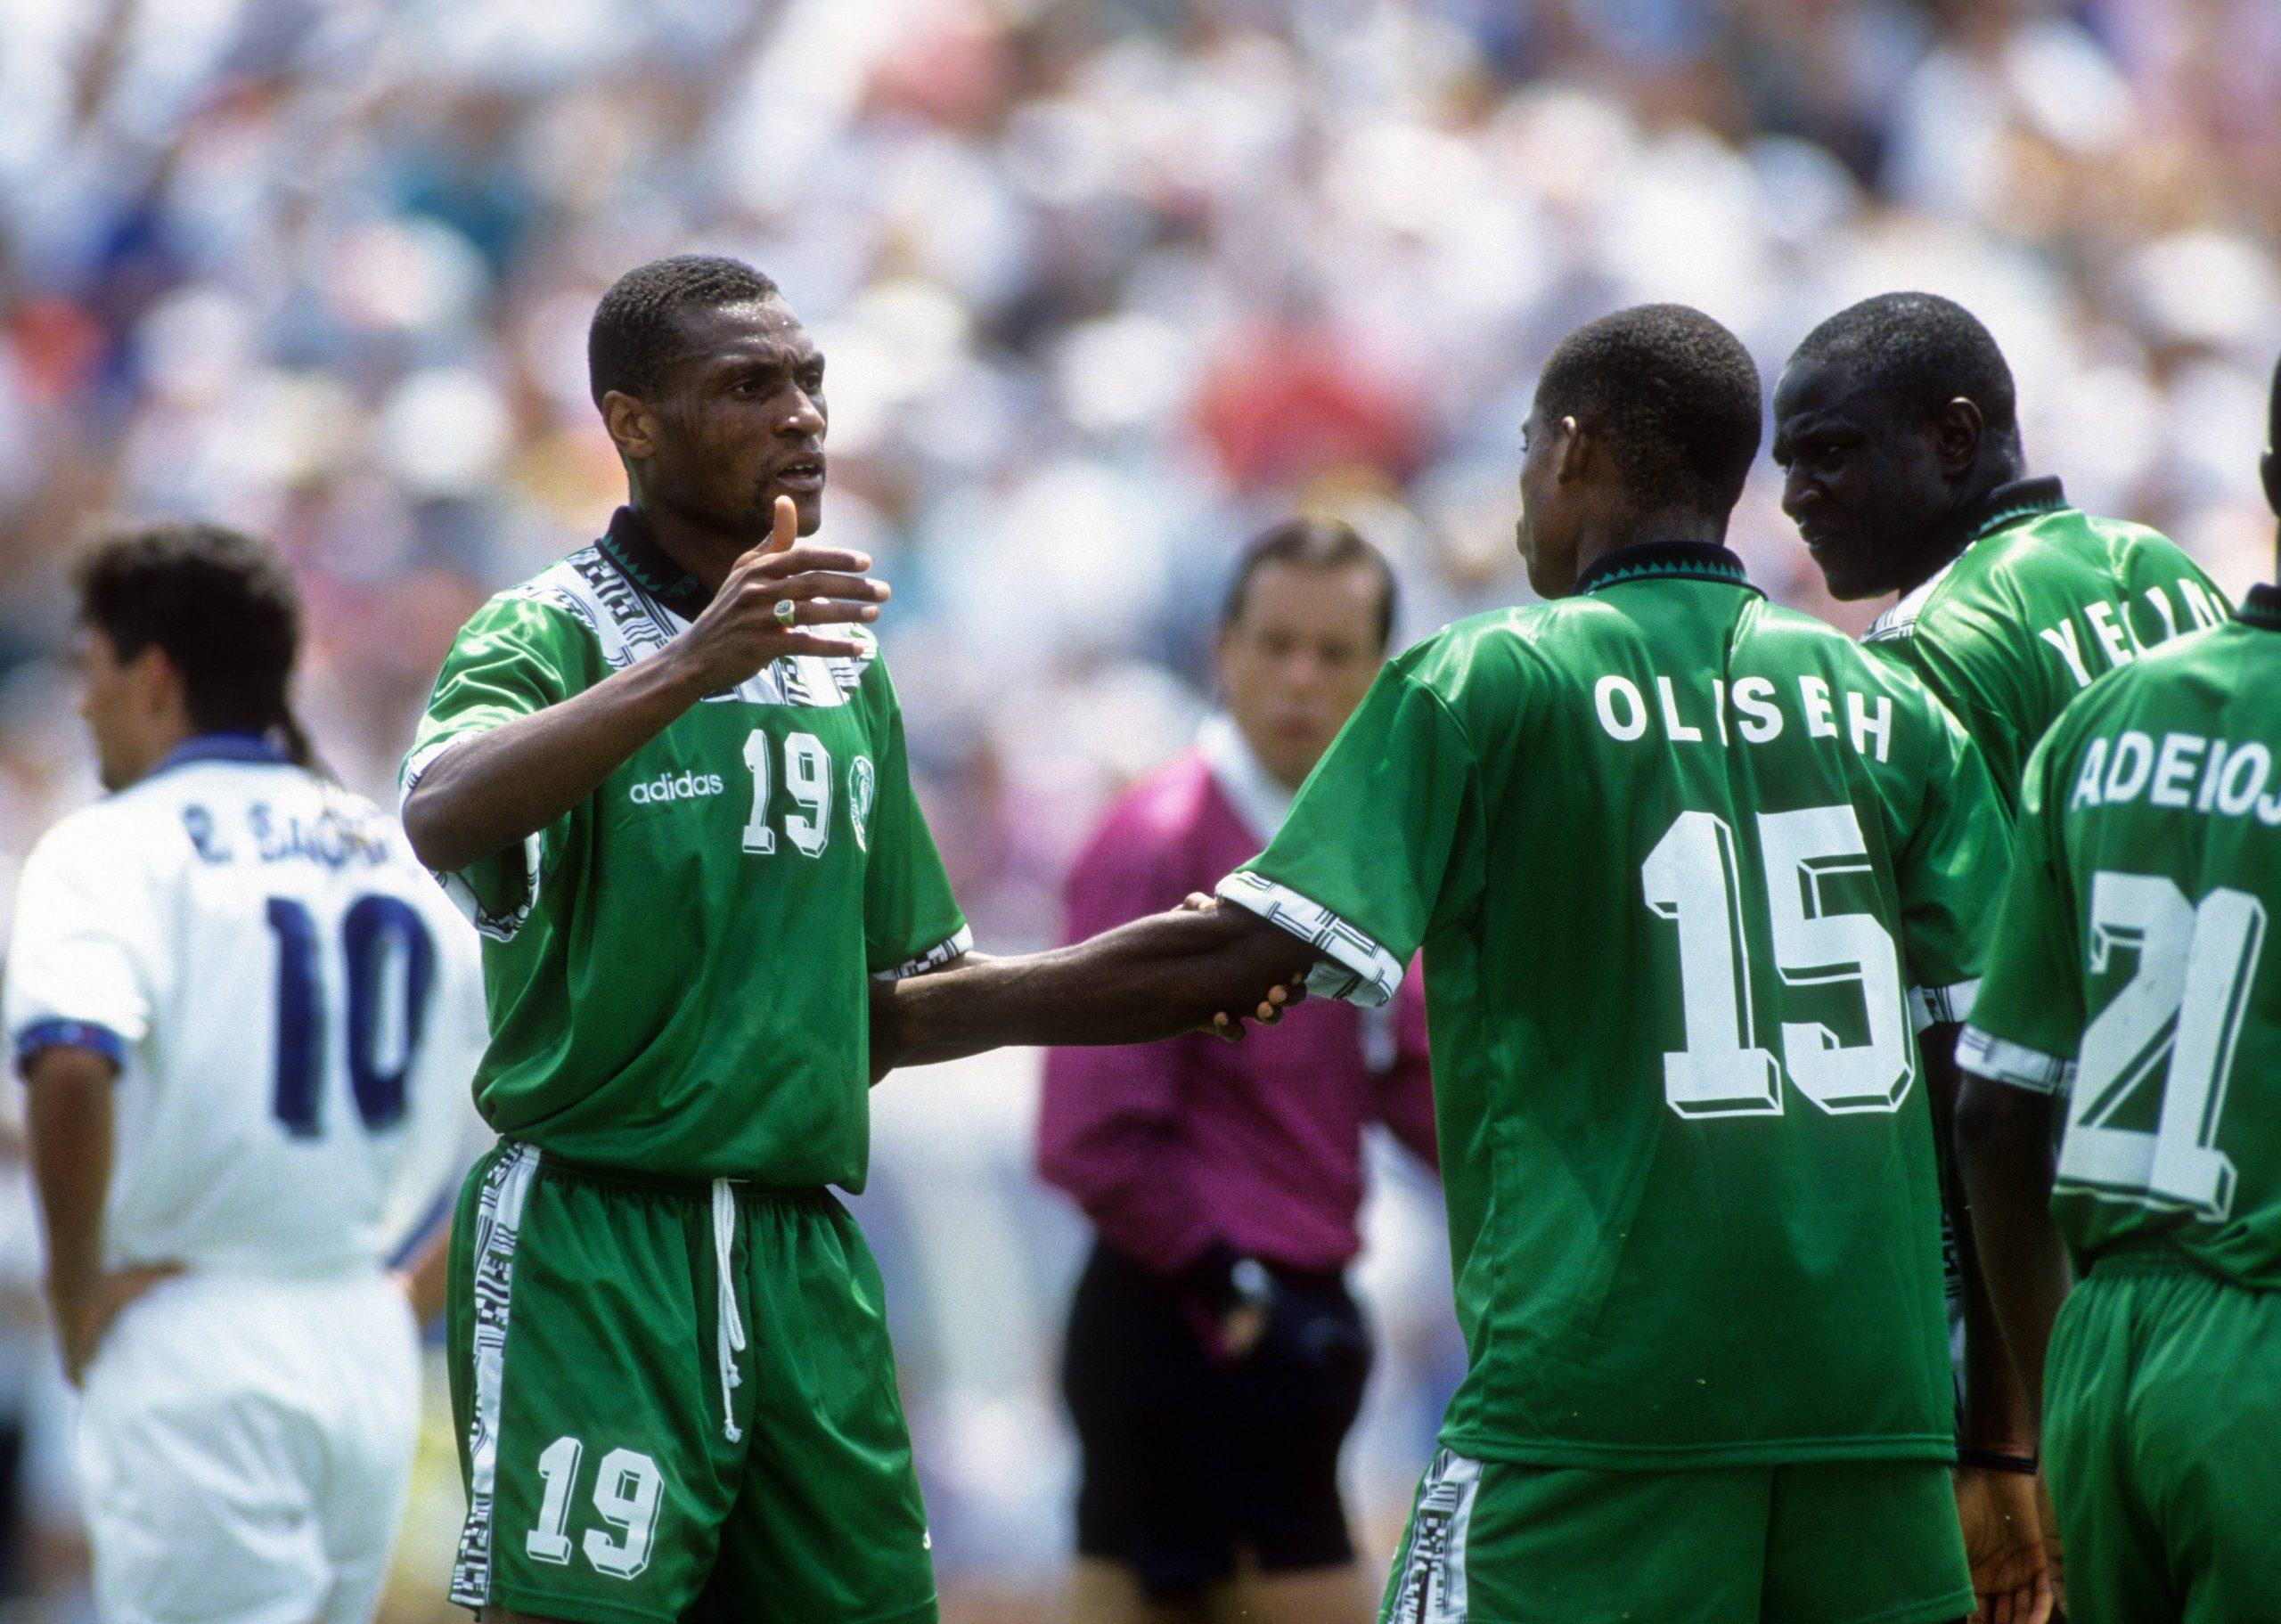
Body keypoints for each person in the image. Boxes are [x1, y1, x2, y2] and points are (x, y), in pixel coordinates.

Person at [876, 305, 2045, 1624]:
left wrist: (930, 1012)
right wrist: (2001, 1426)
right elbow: (1992, 1092)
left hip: (1600, 1392)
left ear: (1575, 452)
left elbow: (1244, 949)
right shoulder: (1893, 708)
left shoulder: (1485, 681)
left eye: (1528, 446)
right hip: (1872, 1400)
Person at [400, 254, 968, 1624]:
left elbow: (900, 1001)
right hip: (602, 1232)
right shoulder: (548, 628)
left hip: (800, 1245)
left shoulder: (846, 657)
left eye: (811, 382)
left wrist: (1187, 971)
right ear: (633, 423)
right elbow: (437, 809)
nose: (804, 417)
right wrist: (689, 666)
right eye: (750, 385)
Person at [2, 523, 487, 1624]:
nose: (82, 704)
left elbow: (72, 1063)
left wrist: (75, 1295)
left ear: (154, 675)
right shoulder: (395, 854)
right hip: (363, 1335)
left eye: (94, 669)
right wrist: (410, 1286)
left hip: (189, 1329)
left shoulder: (108, 846)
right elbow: (550, 1097)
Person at [1041, 518, 1435, 1624]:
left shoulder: (1352, 845)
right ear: (1223, 649)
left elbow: (1408, 1072)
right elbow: (1091, 1130)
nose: (1299, 678)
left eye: (1332, 651)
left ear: (1378, 673)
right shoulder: (1162, 839)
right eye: (1275, 645)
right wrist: (1234, 1292)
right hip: (1189, 1313)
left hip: (1284, 1317)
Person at [1956, 353, 2281, 1624]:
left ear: (2265, 481)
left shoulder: (2104, 719)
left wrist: (2041, 1399)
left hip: (2099, 1361)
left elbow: (1995, 1104)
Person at [1772, 290, 2227, 820]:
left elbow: (1965, 899)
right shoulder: (2156, 562)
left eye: (1829, 453)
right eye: (1787, 467)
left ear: (1954, 438)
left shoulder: (1925, 646)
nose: (1793, 497)